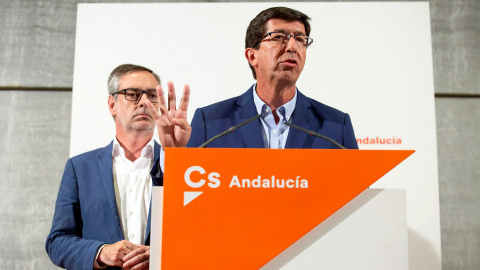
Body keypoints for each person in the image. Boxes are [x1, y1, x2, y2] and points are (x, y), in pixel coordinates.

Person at [46, 64, 191, 270]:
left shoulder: (184, 165)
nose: (144, 102)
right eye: (133, 94)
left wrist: (175, 155)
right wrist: (101, 251)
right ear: (112, 104)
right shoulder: (80, 168)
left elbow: (198, 235)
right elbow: (57, 242)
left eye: (152, 96)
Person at [187, 7, 358, 149]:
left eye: (300, 39)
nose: (292, 46)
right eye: (278, 37)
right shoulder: (210, 123)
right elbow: (186, 185)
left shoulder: (336, 126)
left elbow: (356, 187)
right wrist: (172, 153)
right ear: (252, 56)